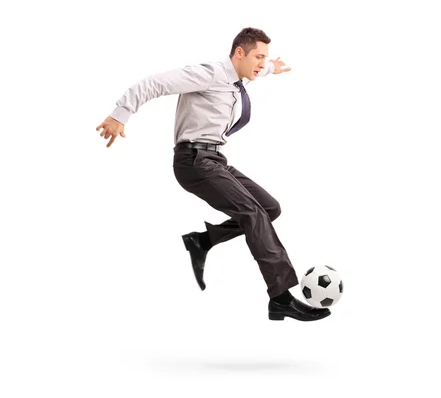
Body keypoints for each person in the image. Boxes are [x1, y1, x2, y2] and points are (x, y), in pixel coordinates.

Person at [95, 27, 330, 322]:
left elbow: (257, 68)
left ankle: (202, 241)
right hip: (194, 161)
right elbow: (154, 83)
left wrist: (271, 68)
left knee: (269, 208)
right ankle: (281, 298)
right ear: (239, 53)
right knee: (253, 215)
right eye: (259, 56)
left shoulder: (237, 77)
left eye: (265, 58)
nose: (262, 62)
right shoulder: (209, 74)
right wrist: (120, 114)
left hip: (216, 159)